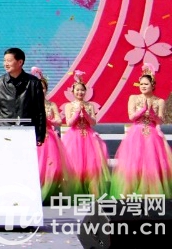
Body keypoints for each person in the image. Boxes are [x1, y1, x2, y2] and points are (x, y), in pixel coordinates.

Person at [110, 67, 172, 199]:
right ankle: (129, 195)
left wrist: (153, 114)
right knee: (134, 164)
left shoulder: (159, 101)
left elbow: (160, 121)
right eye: (141, 84)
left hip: (152, 134)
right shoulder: (133, 98)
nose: (143, 86)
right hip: (136, 133)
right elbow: (131, 117)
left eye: (146, 84)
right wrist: (143, 110)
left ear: (152, 85)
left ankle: (151, 195)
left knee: (152, 164)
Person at [61, 72, 110, 197]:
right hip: (74, 137)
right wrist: (78, 113)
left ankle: (93, 194)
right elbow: (69, 123)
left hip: (88, 137)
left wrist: (86, 114)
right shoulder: (69, 106)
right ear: (73, 91)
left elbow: (93, 122)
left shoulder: (90, 105)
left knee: (92, 167)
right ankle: (76, 193)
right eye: (77, 90)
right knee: (75, 167)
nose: (80, 92)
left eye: (82, 90)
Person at [0, 48, 46, 144]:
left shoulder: (33, 82)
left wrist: (39, 136)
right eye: (4, 61)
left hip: (26, 131)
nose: (5, 64)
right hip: (4, 131)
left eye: (9, 61)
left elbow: (40, 112)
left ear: (20, 62)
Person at [33, 67, 69, 205]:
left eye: (42, 88)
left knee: (53, 167)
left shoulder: (51, 104)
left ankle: (48, 194)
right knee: (37, 166)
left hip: (49, 137)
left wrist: (50, 121)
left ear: (46, 89)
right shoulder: (30, 103)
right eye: (38, 87)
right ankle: (37, 194)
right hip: (36, 137)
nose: (40, 90)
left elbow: (59, 120)